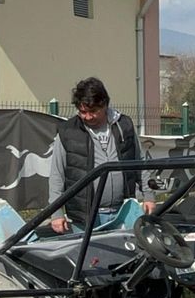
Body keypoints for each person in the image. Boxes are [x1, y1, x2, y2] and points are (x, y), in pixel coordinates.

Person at [47, 77, 156, 234]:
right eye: (83, 112)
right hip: (84, 219)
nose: (88, 117)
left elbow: (140, 162)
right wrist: (56, 213)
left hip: (123, 213)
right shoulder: (67, 132)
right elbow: (57, 175)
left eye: (93, 111)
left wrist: (149, 195)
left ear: (104, 104)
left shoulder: (124, 125)